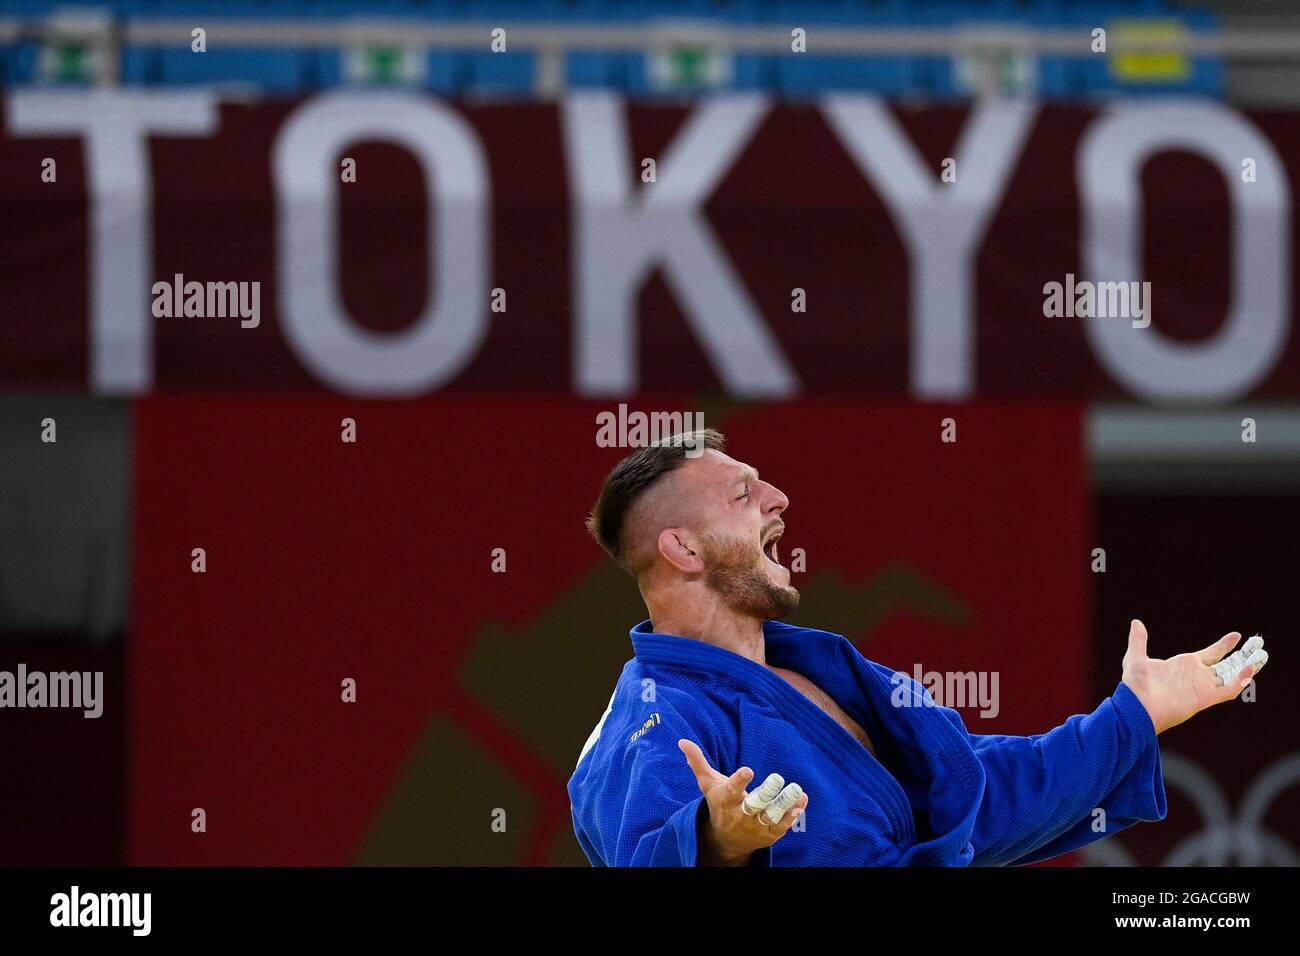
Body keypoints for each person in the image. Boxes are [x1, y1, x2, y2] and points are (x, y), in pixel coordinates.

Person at [567, 429, 1268, 866]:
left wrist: (1137, 715)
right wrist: (716, 842)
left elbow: (979, 797)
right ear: (683, 547)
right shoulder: (652, 721)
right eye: (743, 492)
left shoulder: (826, 677)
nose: (779, 497)